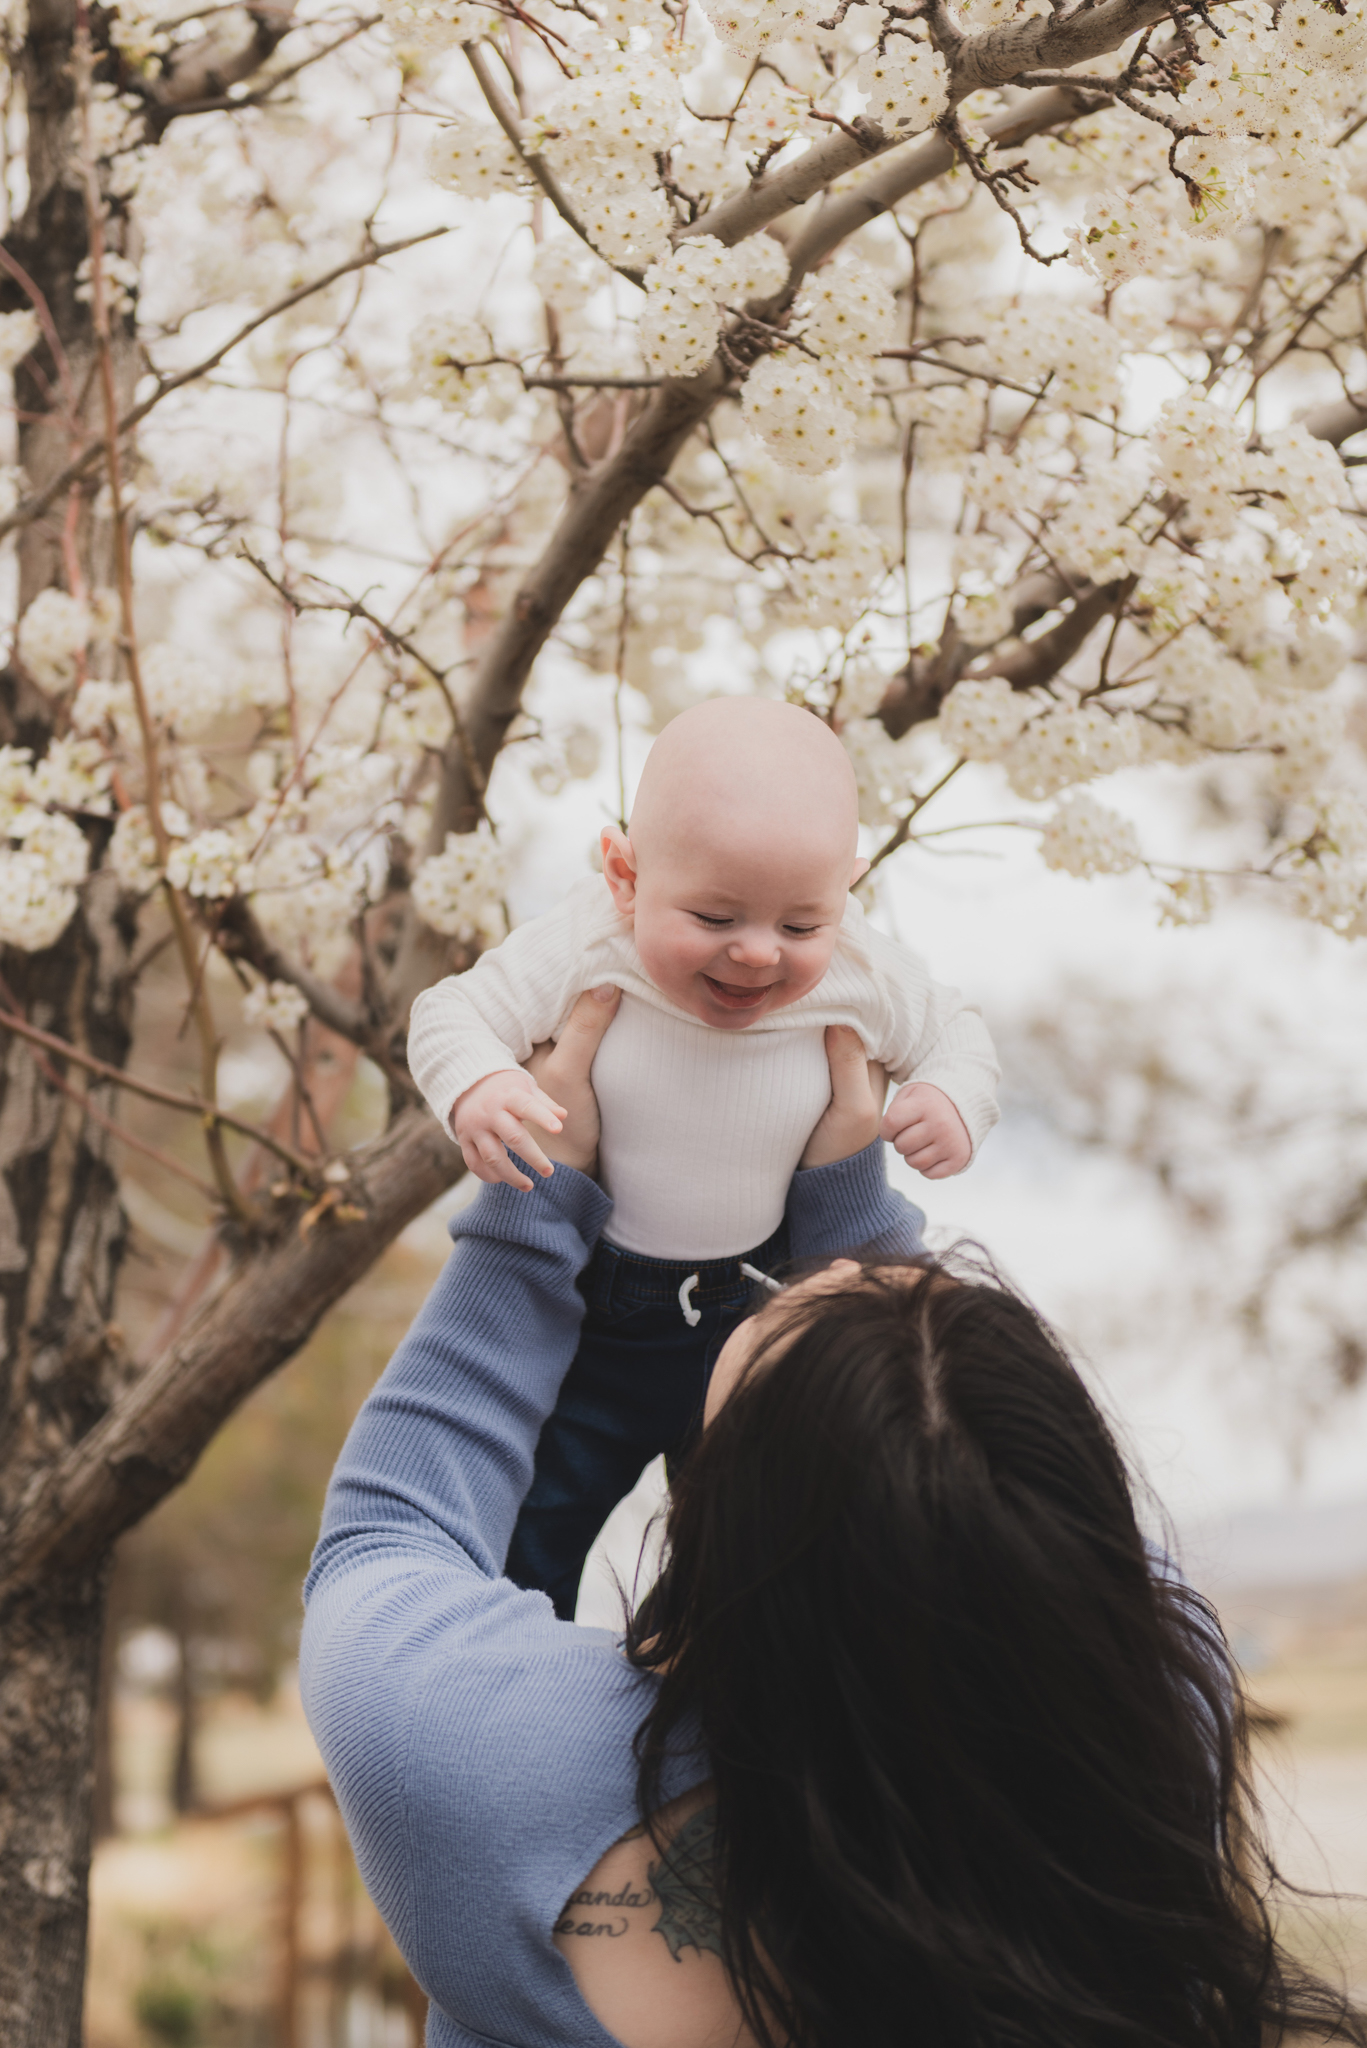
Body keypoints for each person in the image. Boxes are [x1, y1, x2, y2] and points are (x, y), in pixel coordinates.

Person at [302, 993, 1356, 2048]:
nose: (838, 1269)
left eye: (758, 1332)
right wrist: (858, 1218)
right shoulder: (1144, 1730)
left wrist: (534, 1202)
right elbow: (1045, 1534)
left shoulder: (470, 1756)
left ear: (714, 1528)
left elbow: (387, 1530)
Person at [407, 697, 1000, 1615]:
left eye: (801, 925)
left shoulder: (862, 972)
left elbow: (957, 1034)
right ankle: (526, 1671)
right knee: (537, 1525)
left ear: (848, 886)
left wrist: (949, 1098)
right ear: (624, 876)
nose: (758, 954)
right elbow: (450, 1011)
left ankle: (724, 1703)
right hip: (600, 1314)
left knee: (755, 1545)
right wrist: (478, 1086)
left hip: (759, 1312)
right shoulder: (588, 944)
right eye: (716, 916)